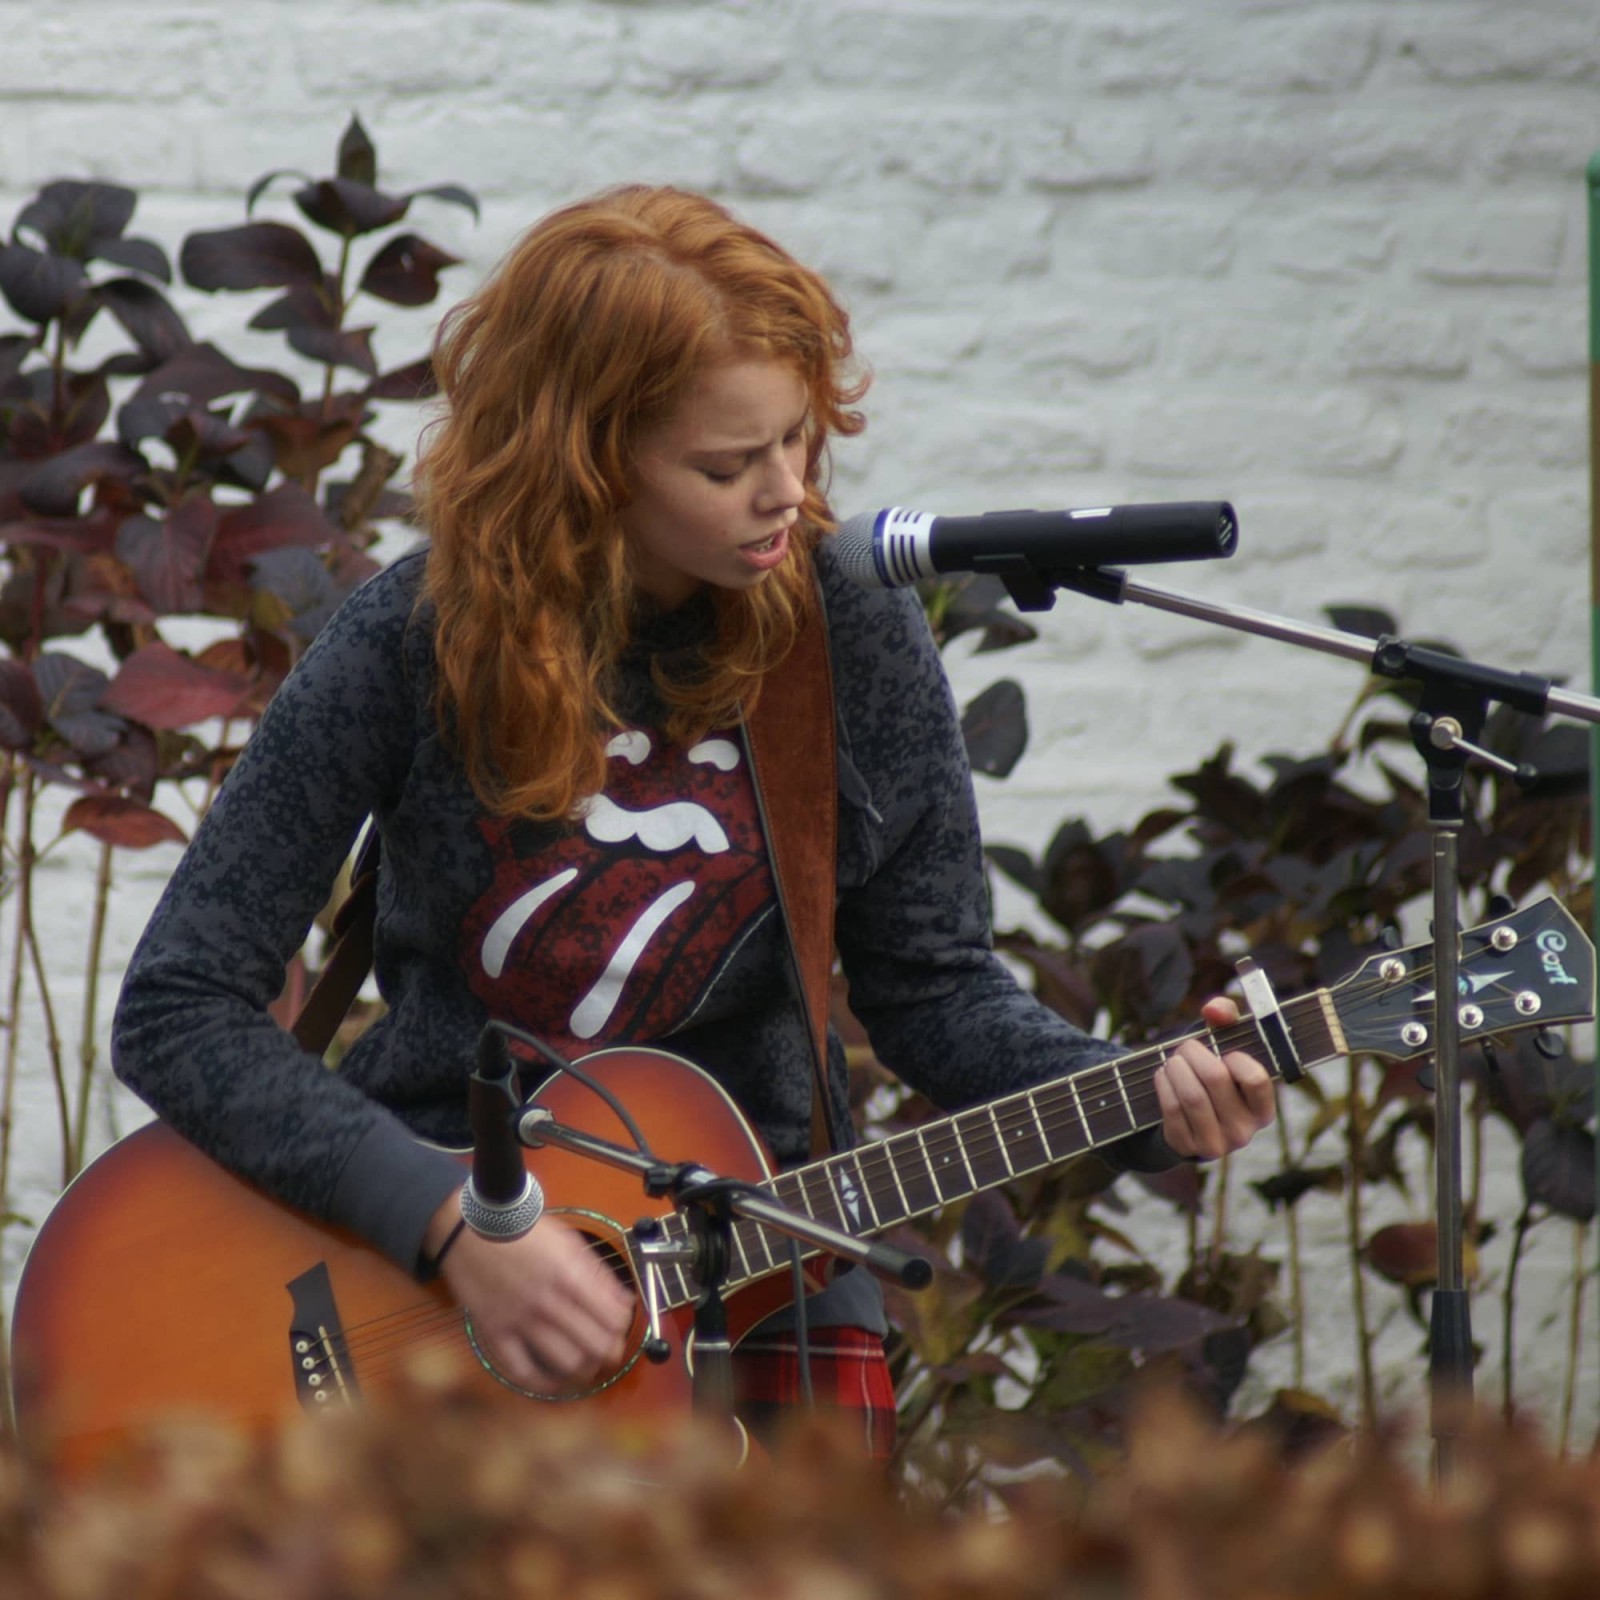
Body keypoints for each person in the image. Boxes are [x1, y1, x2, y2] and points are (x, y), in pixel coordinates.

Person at [112, 184, 1276, 1459]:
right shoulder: (419, 637)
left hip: (767, 1280)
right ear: (587, 463)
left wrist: (1132, 1095)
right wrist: (447, 1220)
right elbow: (181, 1003)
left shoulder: (849, 630)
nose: (786, 494)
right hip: (435, 1287)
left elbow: (935, 989)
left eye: (798, 441)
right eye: (726, 465)